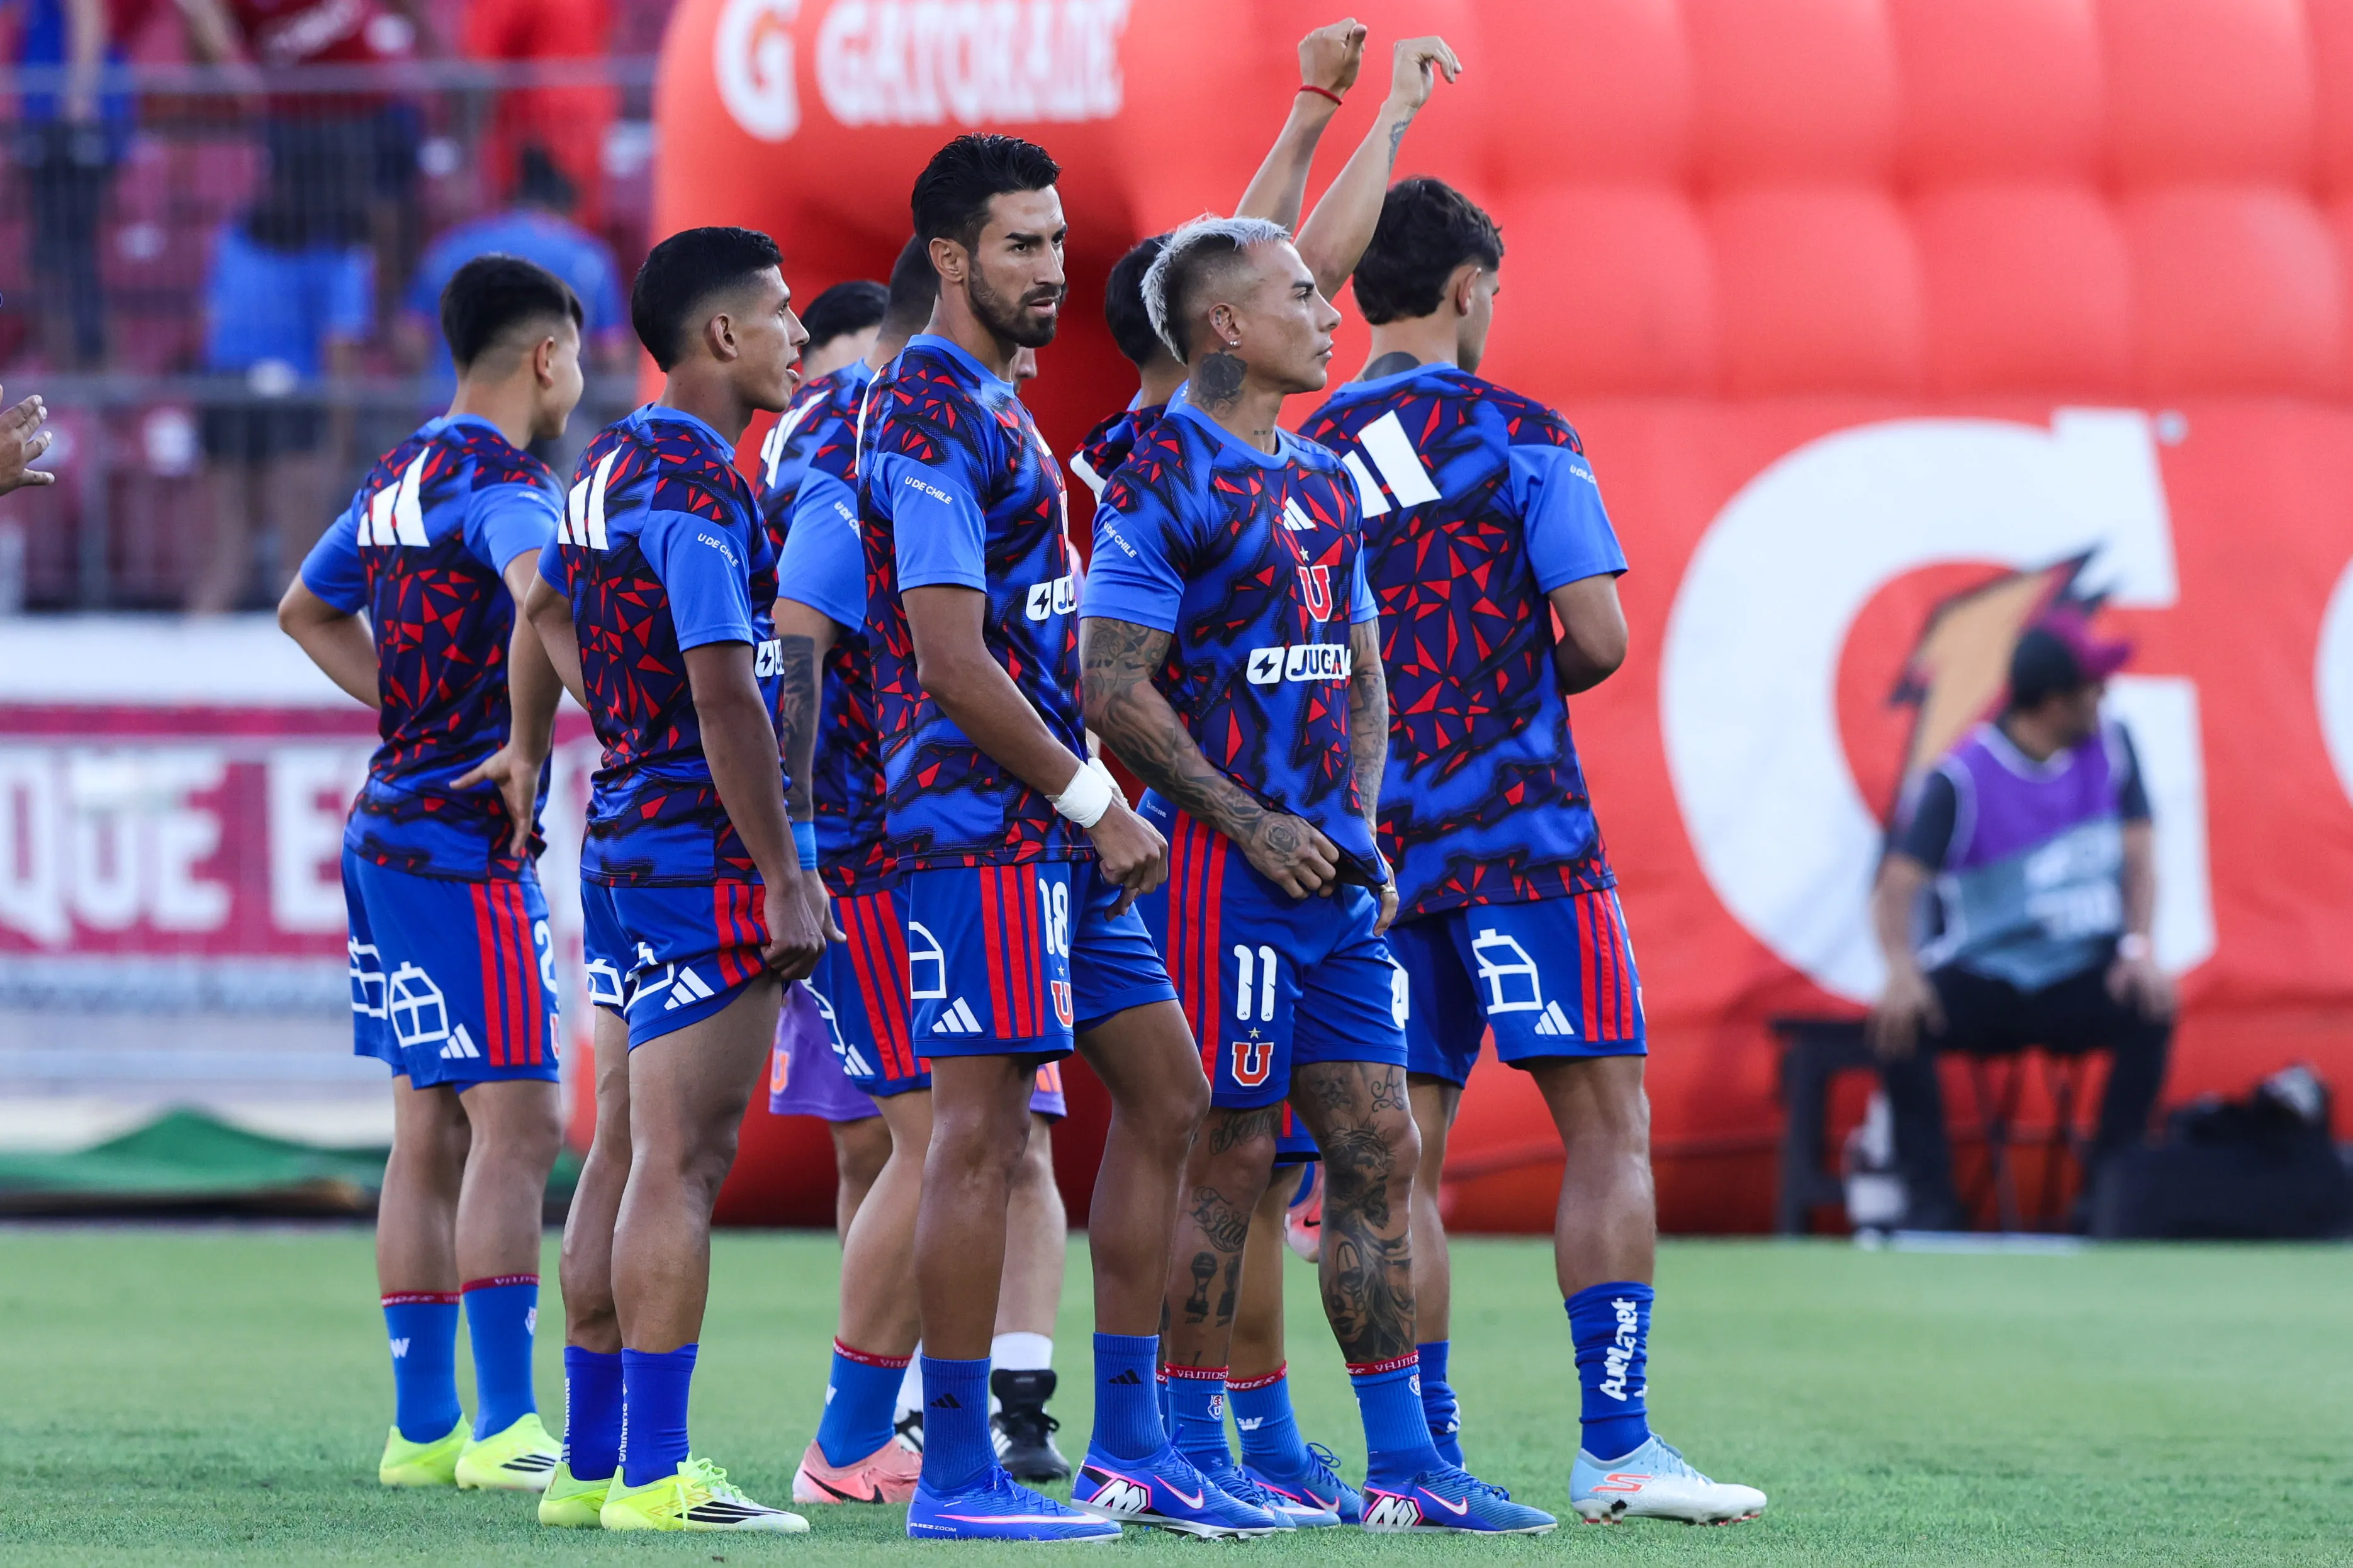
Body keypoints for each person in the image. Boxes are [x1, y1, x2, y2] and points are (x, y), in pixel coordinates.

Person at [1298, 176, 1767, 1526]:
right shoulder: (1523, 438)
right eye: (1490, 289)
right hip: (1524, 840)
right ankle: (1614, 1445)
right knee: (1606, 1124)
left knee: (1399, 1158)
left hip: (1369, 848)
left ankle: (1422, 1456)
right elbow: (1601, 637)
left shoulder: (1306, 447)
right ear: (1464, 290)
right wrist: (1503, 693)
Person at [1083, 212, 1553, 1537]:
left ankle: (1404, 1461)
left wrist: (1356, 821)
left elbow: (1361, 665)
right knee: (1226, 1154)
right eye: (1300, 293)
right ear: (1226, 325)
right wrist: (1247, 822)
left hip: (1329, 882)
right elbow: (1110, 689)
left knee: (1376, 1144)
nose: (1327, 309)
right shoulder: (1158, 476)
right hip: (1220, 881)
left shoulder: (1325, 479)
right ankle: (1178, 1447)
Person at [860, 134, 1237, 1543]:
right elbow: (951, 657)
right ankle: (952, 1476)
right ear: (952, 257)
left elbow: (1249, 274)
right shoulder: (920, 414)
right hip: (977, 828)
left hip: (1048, 830)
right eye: (1022, 244)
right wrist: (1098, 796)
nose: (1053, 268)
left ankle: (1132, 1445)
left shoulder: (993, 403)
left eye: (1059, 241)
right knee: (976, 1139)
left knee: (1173, 1095)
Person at [523, 225, 826, 1533]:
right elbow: (724, 689)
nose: (798, 335)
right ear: (720, 336)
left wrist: (620, 729)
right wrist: (784, 872)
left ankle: (591, 1466)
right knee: (683, 1166)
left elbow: (544, 608)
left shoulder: (606, 464)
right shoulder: (701, 488)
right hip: (703, 852)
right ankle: (657, 1474)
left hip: (625, 837)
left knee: (625, 1152)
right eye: (782, 313)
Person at [758, 242, 1071, 1503]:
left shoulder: (878, 424)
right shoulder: (868, 428)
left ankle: (883, 1431)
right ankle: (850, 1439)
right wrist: (795, 851)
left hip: (901, 835)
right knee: (942, 1139)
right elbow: (798, 633)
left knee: (953, 1136)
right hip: (884, 843)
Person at [273, 255, 583, 1493]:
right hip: (461, 840)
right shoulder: (511, 484)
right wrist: (526, 740)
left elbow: (304, 607)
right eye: (574, 356)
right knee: (520, 1123)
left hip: (389, 822)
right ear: (545, 358)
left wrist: (414, 714)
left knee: (426, 1132)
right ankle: (507, 1429)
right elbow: (540, 589)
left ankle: (421, 1431)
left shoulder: (400, 472)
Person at [1867, 605, 2175, 1230]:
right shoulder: (1964, 776)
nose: (2104, 695)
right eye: (2093, 686)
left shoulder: (2113, 746)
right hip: (1991, 974)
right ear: (2054, 702)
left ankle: (2111, 1198)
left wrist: (2138, 948)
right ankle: (1932, 1205)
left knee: (2151, 1004)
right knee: (1899, 1023)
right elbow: (1896, 885)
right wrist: (1900, 969)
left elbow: (2141, 858)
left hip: (2079, 972)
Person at [1072, 18, 1377, 500]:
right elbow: (1298, 259)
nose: (1327, 314)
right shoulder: (1156, 451)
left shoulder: (1137, 433)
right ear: (1205, 320)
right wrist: (1328, 100)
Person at [190, 183, 372, 615]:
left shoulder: (235, 236)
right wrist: (341, 438)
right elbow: (340, 352)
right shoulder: (342, 253)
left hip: (225, 395)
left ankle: (190, 662)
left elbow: (209, 323)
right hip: (293, 403)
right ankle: (303, 678)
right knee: (300, 564)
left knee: (227, 558)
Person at [403, 147, 632, 386]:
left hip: (455, 406)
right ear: (565, 208)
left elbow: (411, 340)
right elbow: (612, 355)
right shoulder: (588, 257)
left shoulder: (451, 247)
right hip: (548, 413)